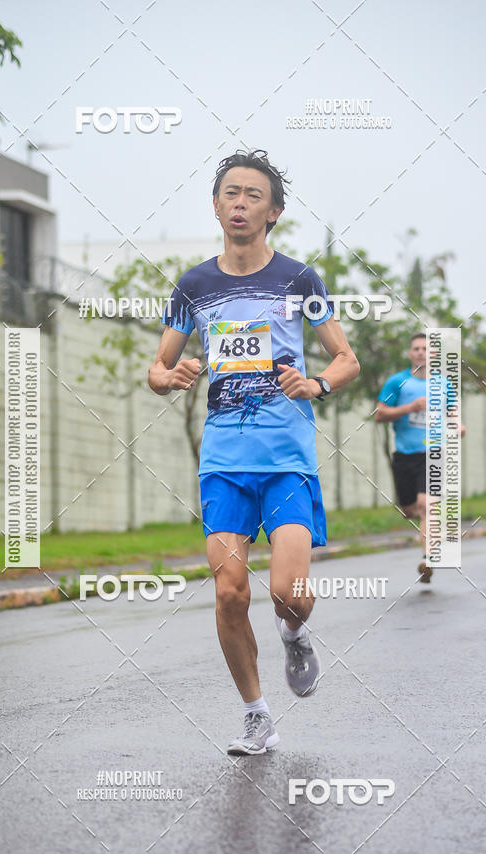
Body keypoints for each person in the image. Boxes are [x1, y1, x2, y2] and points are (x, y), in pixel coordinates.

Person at [148, 149, 359, 755]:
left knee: (289, 593)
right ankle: (256, 715)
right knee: (229, 591)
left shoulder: (299, 280)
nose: (240, 203)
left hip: (286, 457)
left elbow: (346, 359)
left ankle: (293, 635)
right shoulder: (194, 286)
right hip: (223, 460)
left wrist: (316, 384)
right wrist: (170, 376)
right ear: (216, 206)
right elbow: (157, 368)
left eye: (253, 195)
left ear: (274, 212)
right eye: (230, 194)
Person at [376, 333, 465, 583]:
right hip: (405, 454)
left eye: (425, 349)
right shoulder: (397, 382)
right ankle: (433, 528)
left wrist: (458, 425)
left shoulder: (444, 384)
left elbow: (452, 412)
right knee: (409, 509)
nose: (420, 353)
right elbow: (380, 414)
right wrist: (410, 408)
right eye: (416, 348)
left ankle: (428, 558)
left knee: (427, 505)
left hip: (433, 451)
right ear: (409, 353)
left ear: (433, 355)